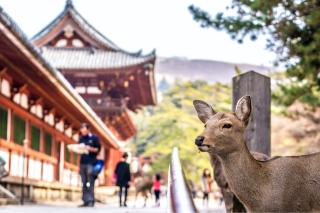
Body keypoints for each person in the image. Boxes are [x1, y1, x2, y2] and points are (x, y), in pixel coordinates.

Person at [78, 123, 101, 207]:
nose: (83, 132)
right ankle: (85, 201)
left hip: (91, 162)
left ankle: (91, 200)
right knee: (83, 182)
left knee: (91, 182)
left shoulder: (94, 138)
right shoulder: (81, 138)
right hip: (82, 162)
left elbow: (98, 150)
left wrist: (90, 149)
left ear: (88, 129)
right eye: (82, 131)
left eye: (84, 130)